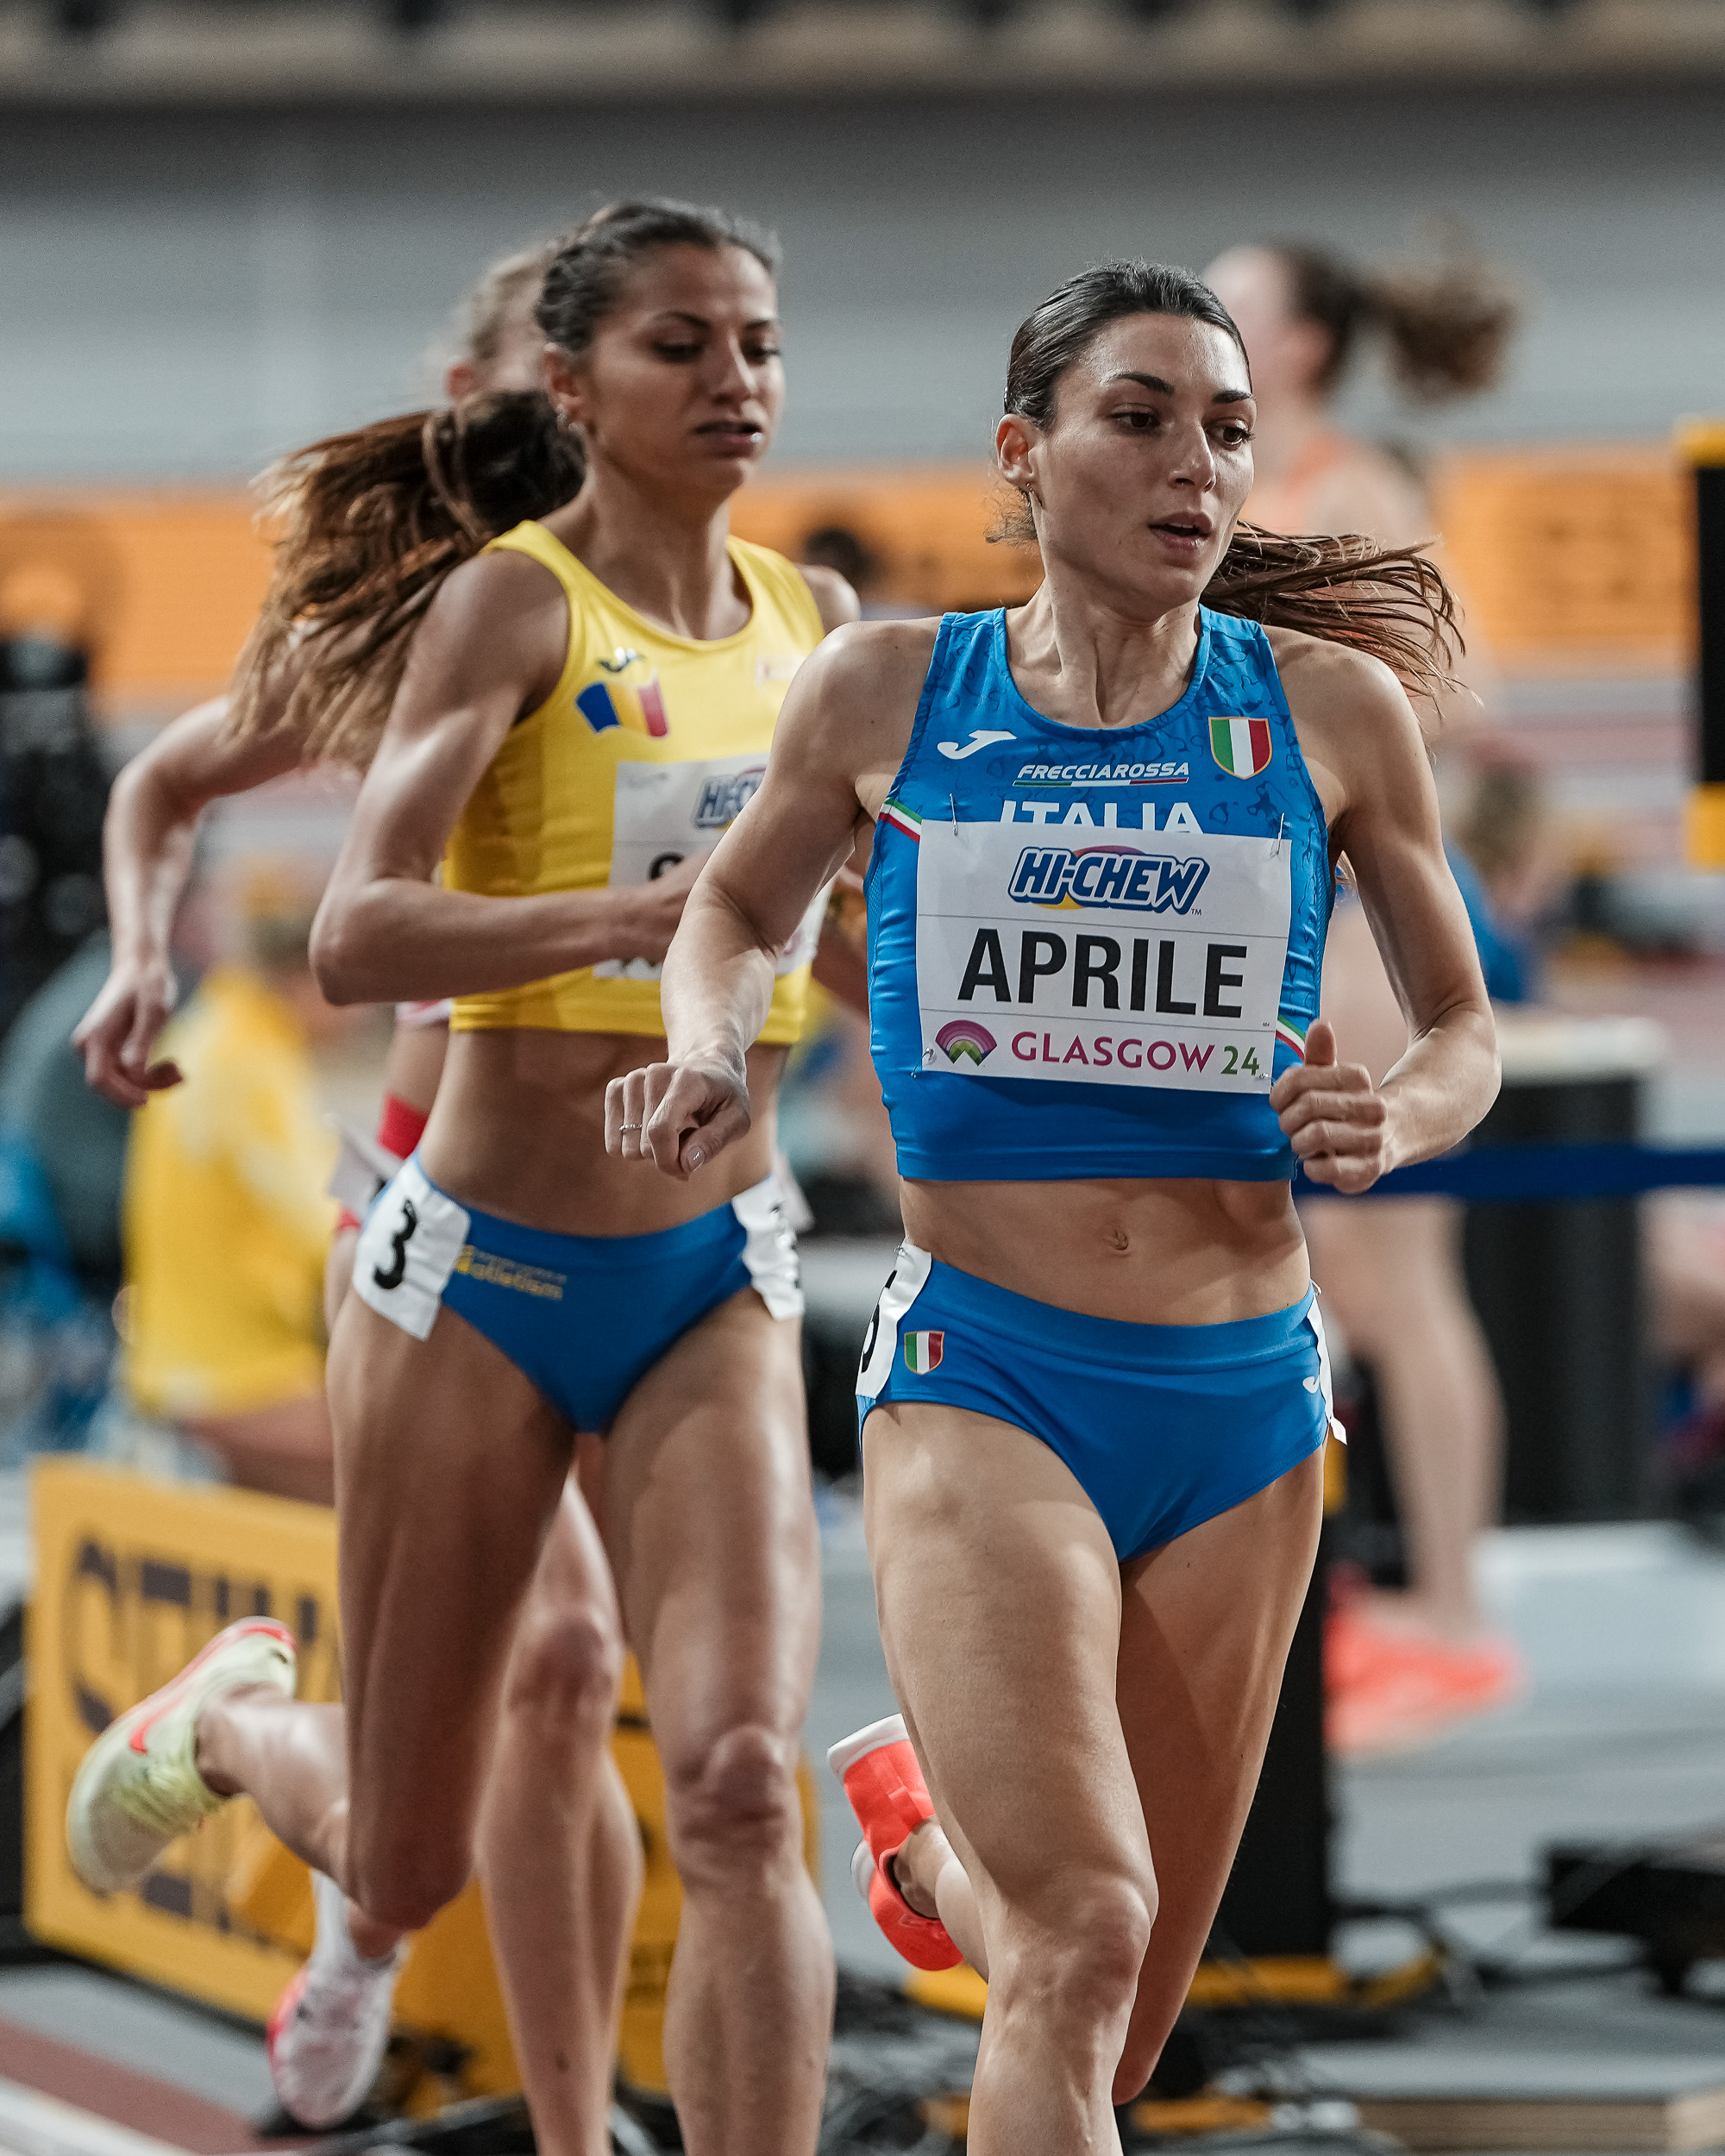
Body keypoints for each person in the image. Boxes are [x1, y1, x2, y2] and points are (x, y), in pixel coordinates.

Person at [609, 260, 1498, 2149]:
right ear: (1023, 451)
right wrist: (707, 1045)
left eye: (1229, 431)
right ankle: (979, 1866)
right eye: (1141, 419)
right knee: (1081, 1936)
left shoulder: (1329, 711)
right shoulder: (889, 688)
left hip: (1243, 1404)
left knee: (1121, 2017)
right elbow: (734, 908)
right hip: (988, 1375)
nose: (1196, 466)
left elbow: (1465, 1029)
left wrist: (1394, 1118)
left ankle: (928, 1849)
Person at [66, 199, 855, 2156]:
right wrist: (145, 956)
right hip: (465, 1246)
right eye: (683, 345)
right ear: (554, 389)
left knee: (735, 1780)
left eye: (758, 343)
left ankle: (582, 2135)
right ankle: (248, 1744)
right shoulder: (482, 607)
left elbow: (857, 943)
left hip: (711, 1260)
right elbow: (308, 894)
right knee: (434, 1813)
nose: (735, 380)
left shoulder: (816, 626)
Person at [1203, 239, 1523, 1752]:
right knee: (1321, 1271)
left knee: (1401, 1276)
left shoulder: (1353, 490)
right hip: (1260, 909)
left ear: (1306, 347)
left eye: (1238, 304)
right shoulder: (1232, 484)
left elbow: (1456, 690)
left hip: (1359, 920)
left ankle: (1456, 1607)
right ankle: (1349, 1583)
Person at [119, 869, 348, 1503]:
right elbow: (324, 1227)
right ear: (304, 980)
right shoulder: (247, 1064)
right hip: (236, 1374)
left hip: (183, 1359)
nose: (363, 1015)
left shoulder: (213, 1028)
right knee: (429, 1450)